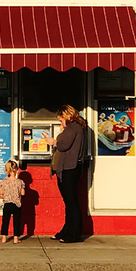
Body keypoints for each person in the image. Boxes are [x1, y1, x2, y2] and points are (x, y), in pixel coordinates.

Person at [51, 104, 87, 243]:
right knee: (69, 202)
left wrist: (53, 142)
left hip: (70, 168)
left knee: (71, 202)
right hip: (72, 167)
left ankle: (74, 234)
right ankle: (67, 231)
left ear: (67, 116)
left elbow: (63, 145)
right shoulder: (78, 127)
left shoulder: (73, 127)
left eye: (61, 120)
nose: (60, 123)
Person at [0, 160, 26, 244]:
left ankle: (4, 237)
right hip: (17, 204)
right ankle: (16, 238)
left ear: (6, 170)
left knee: (5, 221)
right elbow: (23, 193)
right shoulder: (20, 182)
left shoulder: (4, 182)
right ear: (17, 170)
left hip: (7, 203)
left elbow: (1, 192)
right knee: (16, 221)